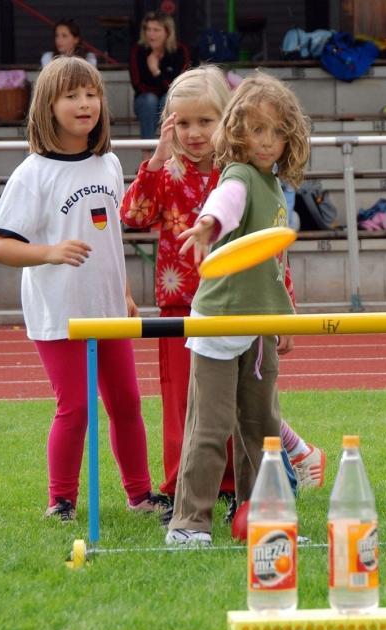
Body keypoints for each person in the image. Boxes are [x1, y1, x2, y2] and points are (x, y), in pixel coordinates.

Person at [121, 66, 324, 516]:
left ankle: (238, 486)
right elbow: (133, 215)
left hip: (242, 305)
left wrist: (284, 308)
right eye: (183, 124)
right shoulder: (167, 175)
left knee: (246, 405)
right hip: (182, 306)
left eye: (205, 122)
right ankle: (183, 487)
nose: (194, 134)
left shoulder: (243, 174)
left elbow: (270, 248)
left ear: (228, 122)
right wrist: (155, 161)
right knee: (188, 407)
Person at [0, 56, 169, 521]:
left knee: (127, 403)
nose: (84, 103)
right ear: (48, 107)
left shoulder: (107, 163)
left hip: (108, 308)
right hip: (60, 314)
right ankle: (61, 502)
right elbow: (2, 248)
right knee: (76, 407)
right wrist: (49, 252)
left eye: (91, 94)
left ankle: (140, 497)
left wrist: (126, 293)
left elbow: (109, 236)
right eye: (71, 96)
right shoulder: (33, 173)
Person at [165, 72, 312, 546]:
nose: (266, 142)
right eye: (256, 130)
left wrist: (283, 316)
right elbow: (226, 202)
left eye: (276, 131)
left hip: (260, 324)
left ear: (289, 137)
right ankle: (189, 523)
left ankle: (266, 520)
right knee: (211, 427)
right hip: (222, 321)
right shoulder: (241, 176)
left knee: (263, 431)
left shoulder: (275, 187)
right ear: (236, 133)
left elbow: (271, 261)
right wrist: (208, 225)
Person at [129, 11, 190, 145]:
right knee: (150, 101)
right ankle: (146, 152)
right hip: (145, 100)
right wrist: (159, 90)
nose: (151, 34)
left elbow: (179, 86)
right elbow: (137, 84)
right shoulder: (138, 50)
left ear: (167, 32)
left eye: (156, 30)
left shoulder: (180, 51)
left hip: (171, 98)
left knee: (166, 99)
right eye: (148, 30)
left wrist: (156, 71)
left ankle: (169, 151)